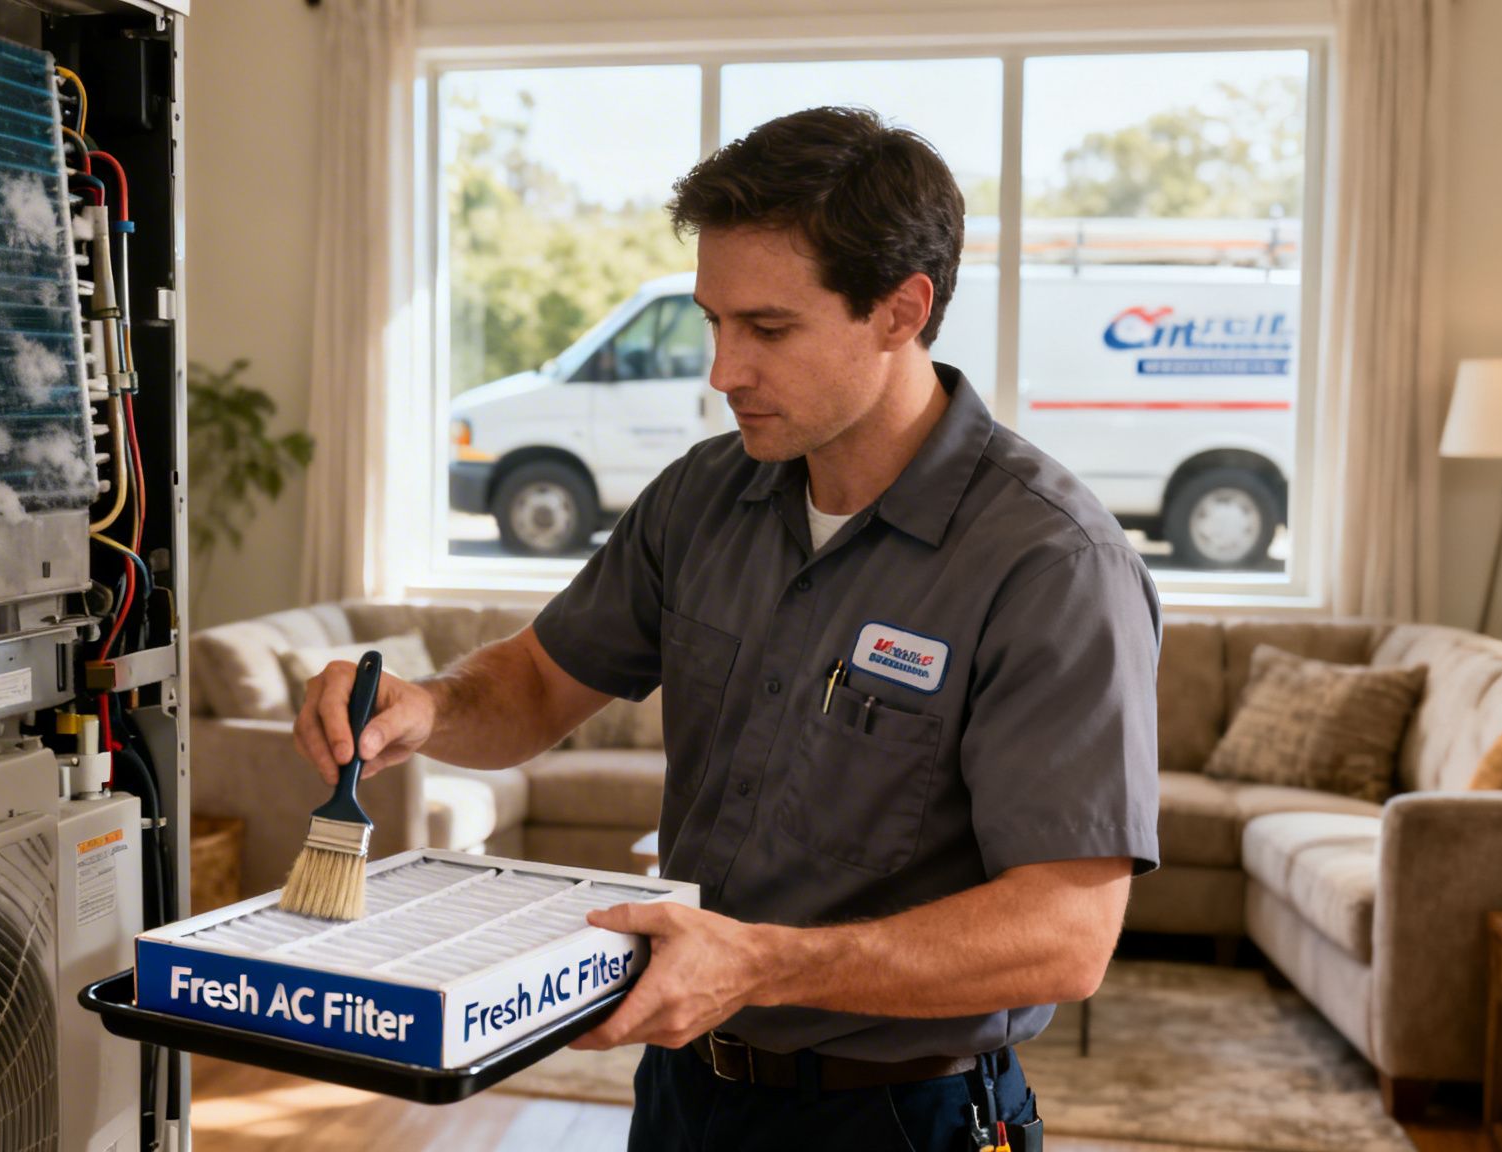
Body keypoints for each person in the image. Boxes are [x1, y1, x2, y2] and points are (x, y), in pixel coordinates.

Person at [293, 106, 1161, 1152]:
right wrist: (425, 708)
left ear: (900, 310)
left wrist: (760, 962)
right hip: (684, 1095)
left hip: (899, 1117)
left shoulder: (1049, 562)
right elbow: (532, 685)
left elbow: (1063, 939)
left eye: (768, 329)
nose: (721, 371)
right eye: (713, 322)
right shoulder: (703, 496)